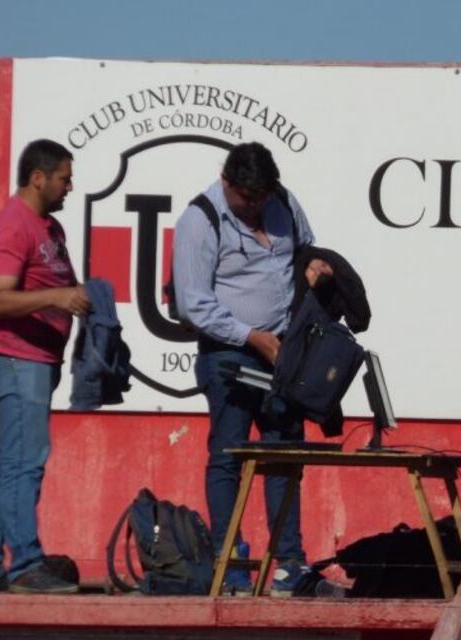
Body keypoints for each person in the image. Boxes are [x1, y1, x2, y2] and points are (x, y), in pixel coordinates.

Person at [173, 142, 317, 596]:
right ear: (227, 182)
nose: (255, 208)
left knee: (284, 457)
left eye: (263, 198)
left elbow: (307, 250)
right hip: (228, 354)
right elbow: (193, 303)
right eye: (246, 199)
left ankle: (288, 566)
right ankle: (231, 563)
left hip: (284, 352)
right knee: (229, 457)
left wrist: (312, 271)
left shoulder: (286, 202)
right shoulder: (200, 219)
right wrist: (251, 336)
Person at [0, 139, 90, 594]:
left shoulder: (50, 229)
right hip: (15, 359)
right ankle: (25, 566)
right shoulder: (12, 226)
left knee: (5, 465)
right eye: (64, 177)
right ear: (38, 177)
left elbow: (60, 282)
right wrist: (57, 297)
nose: (69, 186)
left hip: (37, 360)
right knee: (25, 463)